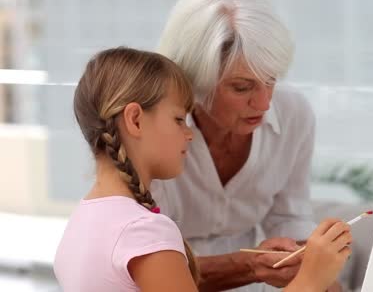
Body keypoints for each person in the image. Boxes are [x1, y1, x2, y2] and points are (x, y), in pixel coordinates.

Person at [53, 47, 352, 292]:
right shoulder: (144, 232)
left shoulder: (85, 219)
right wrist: (312, 279)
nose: (190, 134)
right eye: (179, 119)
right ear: (135, 120)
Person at [152, 0, 333, 291]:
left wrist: (313, 264)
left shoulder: (294, 115)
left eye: (271, 79)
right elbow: (151, 266)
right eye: (242, 87)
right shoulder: (151, 130)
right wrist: (250, 265)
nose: (264, 103)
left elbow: (289, 215)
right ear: (195, 80)